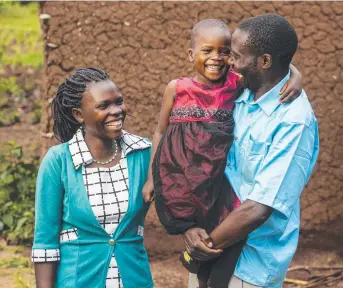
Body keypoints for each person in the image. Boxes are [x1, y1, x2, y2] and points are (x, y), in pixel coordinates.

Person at [142, 19, 302, 288]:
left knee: (225, 242)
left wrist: (296, 76)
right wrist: (151, 177)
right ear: (191, 54)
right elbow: (160, 131)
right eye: (207, 50)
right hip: (183, 180)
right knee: (193, 235)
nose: (216, 57)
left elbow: (275, 65)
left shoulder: (235, 84)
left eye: (225, 51)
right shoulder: (177, 88)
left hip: (216, 182)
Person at [186, 14, 319, 288]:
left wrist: (199, 249)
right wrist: (191, 229)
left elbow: (259, 208)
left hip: (250, 262)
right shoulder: (240, 92)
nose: (228, 63)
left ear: (265, 62)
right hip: (210, 241)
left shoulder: (293, 121)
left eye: (236, 56)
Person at [31, 68, 154, 288]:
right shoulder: (59, 162)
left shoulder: (143, 154)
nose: (116, 111)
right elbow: (45, 243)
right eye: (103, 106)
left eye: (118, 102)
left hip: (135, 279)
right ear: (79, 114)